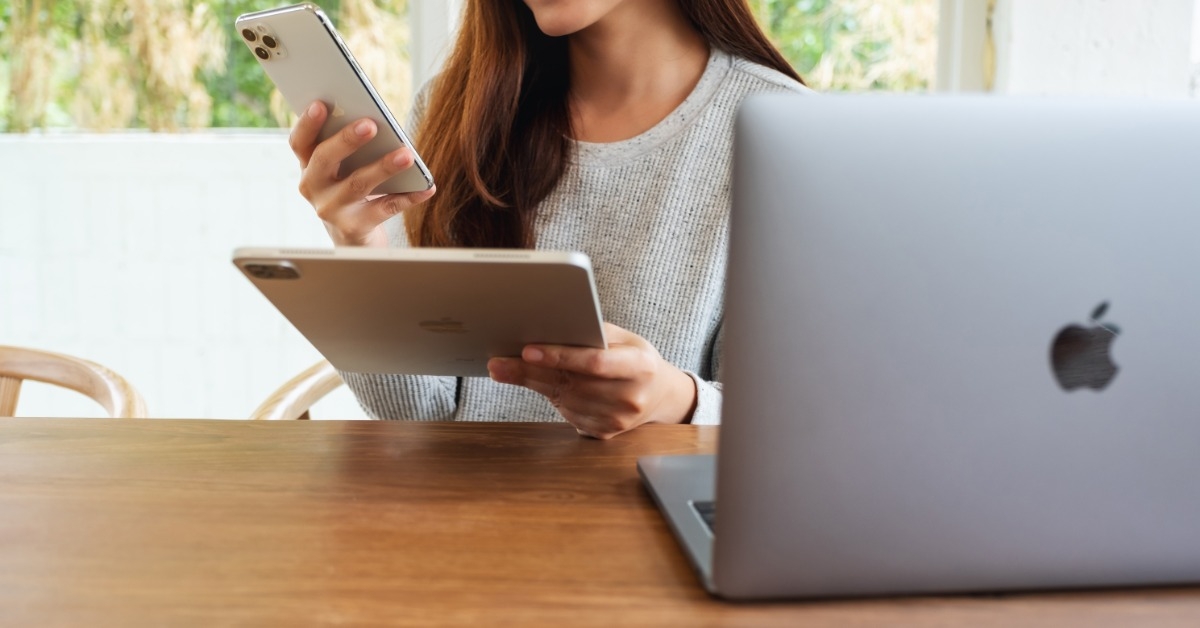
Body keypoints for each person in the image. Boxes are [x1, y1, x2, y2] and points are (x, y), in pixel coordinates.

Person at [288, 0, 809, 438]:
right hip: (458, 529)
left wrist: (676, 399)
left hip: (647, 539)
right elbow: (416, 413)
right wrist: (358, 241)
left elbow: (800, 433)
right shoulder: (456, 112)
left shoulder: (786, 134)